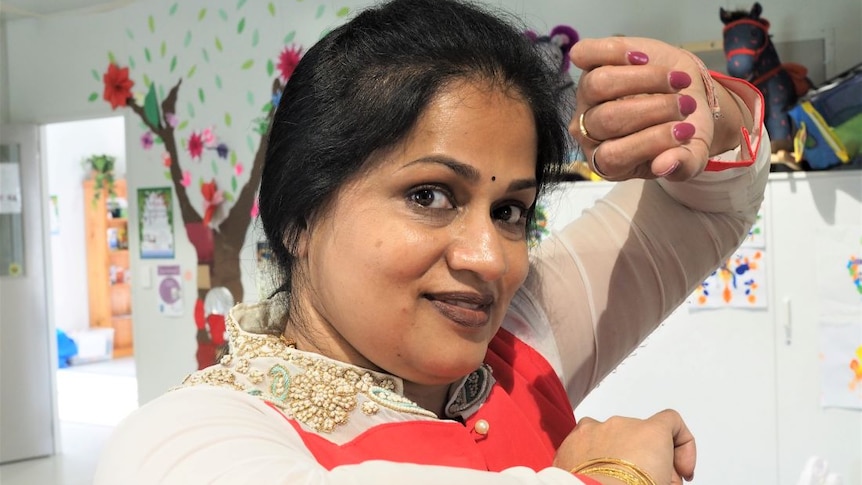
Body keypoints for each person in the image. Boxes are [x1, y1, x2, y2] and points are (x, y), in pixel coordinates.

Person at [95, 0, 769, 483]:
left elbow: (707, 208)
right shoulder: (187, 437)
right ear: (299, 216)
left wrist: (713, 110)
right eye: (430, 196)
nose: (488, 257)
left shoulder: (516, 349)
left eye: (511, 210)